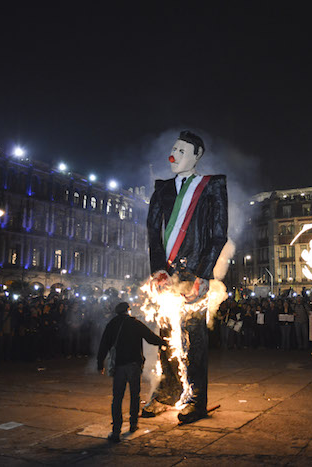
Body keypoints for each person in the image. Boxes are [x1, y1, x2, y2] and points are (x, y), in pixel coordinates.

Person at [143, 130, 229, 424]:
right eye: (173, 150)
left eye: (182, 151)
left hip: (194, 276)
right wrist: (158, 270)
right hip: (166, 274)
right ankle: (166, 393)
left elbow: (218, 234)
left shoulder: (212, 187)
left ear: (197, 156)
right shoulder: (162, 188)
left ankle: (195, 399)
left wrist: (202, 275)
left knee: (194, 339)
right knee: (166, 335)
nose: (174, 156)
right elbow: (153, 233)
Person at [97, 302, 166, 443]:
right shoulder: (135, 323)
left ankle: (116, 431)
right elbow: (150, 337)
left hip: (119, 366)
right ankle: (133, 424)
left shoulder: (112, 324)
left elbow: (104, 344)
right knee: (135, 395)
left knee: (117, 398)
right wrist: (164, 343)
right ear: (128, 311)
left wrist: (100, 363)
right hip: (134, 365)